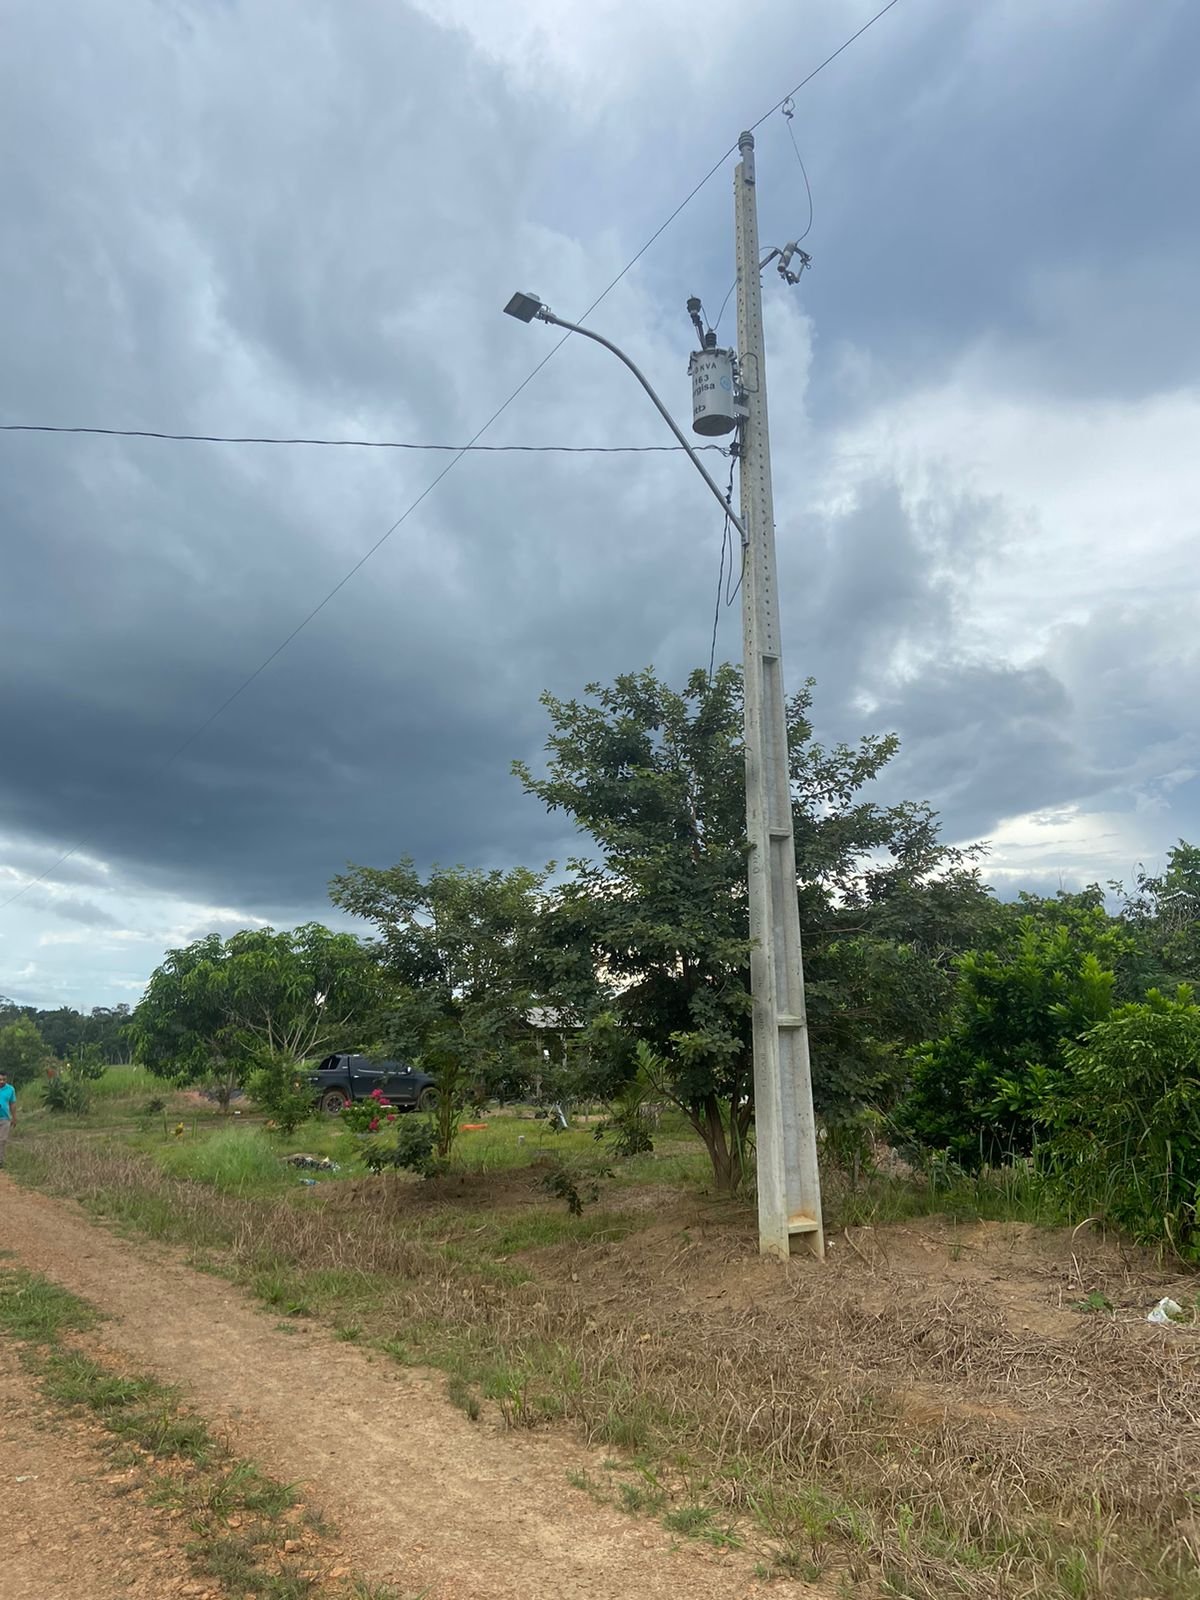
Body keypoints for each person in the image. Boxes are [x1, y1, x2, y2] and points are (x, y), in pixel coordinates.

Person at [0, 1071, 15, 1168]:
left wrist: (14, 1117)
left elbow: (12, 1104)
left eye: (4, 1079)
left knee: (2, 1140)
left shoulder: (10, 1089)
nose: (2, 1081)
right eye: (0, 1079)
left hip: (5, 1118)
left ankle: (0, 1161)